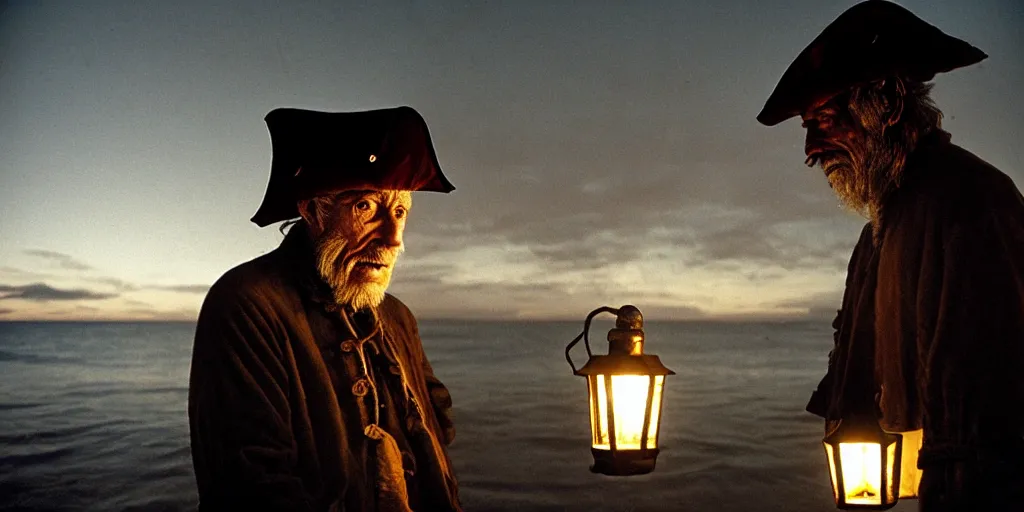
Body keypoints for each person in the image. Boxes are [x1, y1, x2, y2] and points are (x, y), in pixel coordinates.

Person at [756, 1, 1024, 509]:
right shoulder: (880, 228)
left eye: (825, 120)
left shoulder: (975, 203)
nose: (811, 149)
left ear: (890, 107)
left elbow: (997, 421)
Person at [187, 106, 462, 511]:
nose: (392, 240)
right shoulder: (246, 304)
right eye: (365, 207)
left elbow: (439, 428)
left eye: (399, 211)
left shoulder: (397, 316)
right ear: (312, 210)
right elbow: (251, 486)